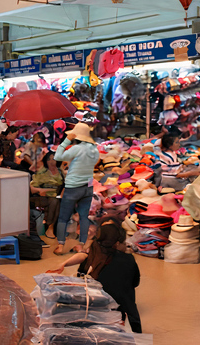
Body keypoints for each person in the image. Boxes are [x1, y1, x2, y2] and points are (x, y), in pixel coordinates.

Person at [47, 222, 142, 333]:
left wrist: (64, 263)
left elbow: (83, 257)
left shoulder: (96, 254)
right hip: (124, 315)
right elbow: (135, 282)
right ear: (117, 243)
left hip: (95, 310)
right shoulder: (128, 259)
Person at [53, 122, 100, 255]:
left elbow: (58, 156)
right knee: (84, 217)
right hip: (88, 186)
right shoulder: (94, 150)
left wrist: (66, 141)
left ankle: (61, 246)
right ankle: (82, 245)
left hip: (73, 187)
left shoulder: (76, 148)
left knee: (63, 217)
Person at [29, 151, 64, 238]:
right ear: (46, 161)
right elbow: (32, 189)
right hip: (40, 197)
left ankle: (51, 227)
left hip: (56, 197)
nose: (51, 161)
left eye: (54, 159)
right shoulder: (42, 172)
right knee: (55, 202)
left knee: (57, 202)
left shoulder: (60, 172)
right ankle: (50, 227)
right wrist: (42, 190)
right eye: (49, 159)